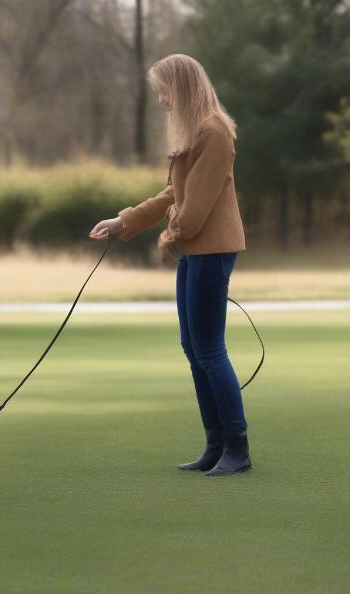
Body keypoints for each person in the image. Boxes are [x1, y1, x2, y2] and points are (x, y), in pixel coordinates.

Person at [89, 54, 250, 476]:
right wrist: (124, 221)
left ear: (181, 87)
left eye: (163, 89)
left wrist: (168, 233)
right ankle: (216, 445)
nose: (161, 99)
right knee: (193, 347)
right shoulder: (190, 134)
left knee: (210, 349)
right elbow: (170, 197)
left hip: (210, 249)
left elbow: (192, 212)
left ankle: (237, 447)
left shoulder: (214, 132)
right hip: (194, 250)